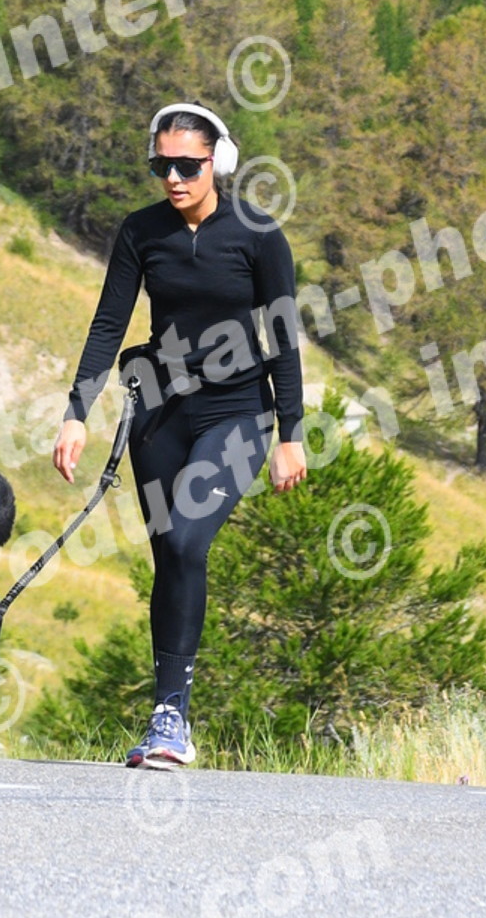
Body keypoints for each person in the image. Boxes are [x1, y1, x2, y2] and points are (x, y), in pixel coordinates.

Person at [53, 100, 307, 769]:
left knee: (189, 537)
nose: (173, 177)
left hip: (237, 412)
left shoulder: (257, 234)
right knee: (169, 553)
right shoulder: (142, 231)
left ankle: (172, 715)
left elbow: (282, 334)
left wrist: (291, 431)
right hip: (160, 414)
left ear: (215, 163)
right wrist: (77, 410)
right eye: (161, 164)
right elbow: (109, 322)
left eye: (187, 165)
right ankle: (169, 716)